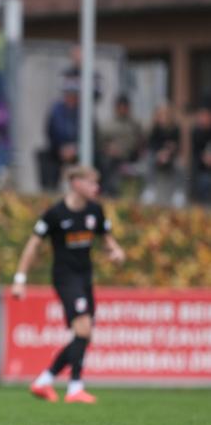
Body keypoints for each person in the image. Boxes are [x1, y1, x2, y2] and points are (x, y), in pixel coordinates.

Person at [12, 166, 125, 404]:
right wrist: (20, 279)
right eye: (92, 183)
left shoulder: (96, 211)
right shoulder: (55, 213)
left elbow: (106, 240)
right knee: (83, 331)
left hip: (85, 278)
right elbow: (33, 245)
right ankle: (74, 388)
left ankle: (44, 380)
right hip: (65, 278)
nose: (97, 188)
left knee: (83, 334)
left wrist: (115, 251)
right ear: (76, 183)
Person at [98, 94, 144, 197]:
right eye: (120, 107)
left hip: (130, 158)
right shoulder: (107, 125)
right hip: (111, 159)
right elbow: (101, 144)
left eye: (125, 107)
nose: (123, 110)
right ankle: (108, 191)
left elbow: (139, 142)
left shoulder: (134, 124)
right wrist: (108, 148)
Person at [140, 103, 186, 207]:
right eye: (161, 115)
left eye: (165, 115)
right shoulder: (154, 128)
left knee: (180, 164)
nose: (163, 118)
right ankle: (150, 189)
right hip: (158, 156)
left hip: (171, 157)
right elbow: (151, 145)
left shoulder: (175, 129)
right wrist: (159, 154)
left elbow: (177, 145)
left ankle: (179, 193)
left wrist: (169, 152)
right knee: (148, 160)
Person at [190, 99, 211, 203]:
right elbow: (196, 154)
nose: (203, 119)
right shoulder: (197, 132)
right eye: (201, 116)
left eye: (206, 115)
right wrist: (204, 158)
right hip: (202, 170)